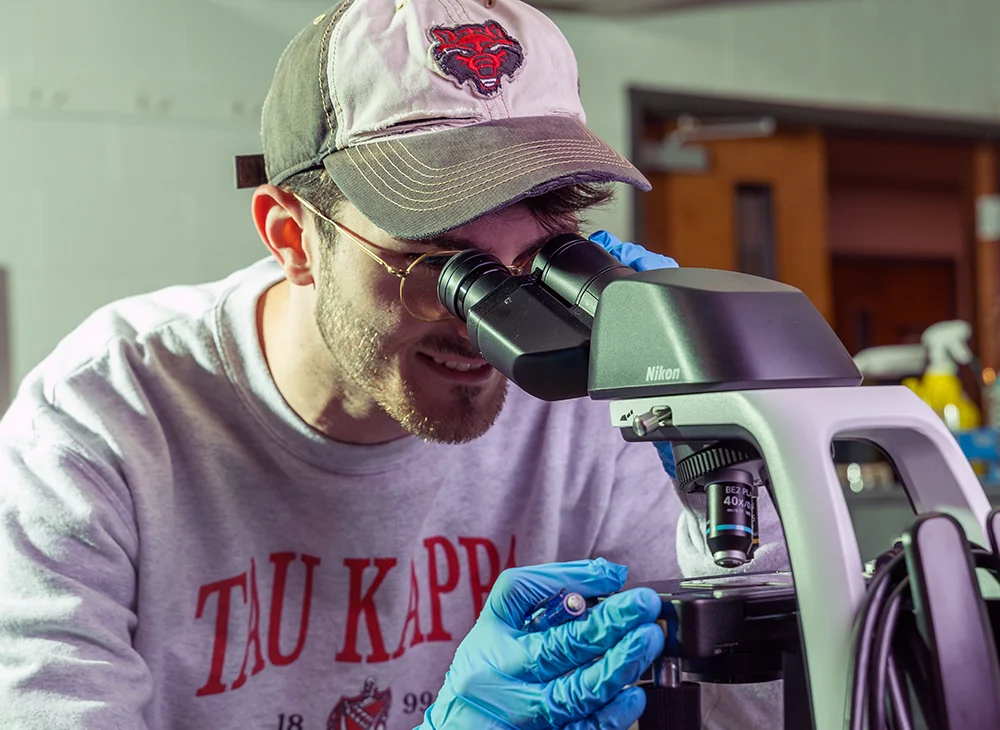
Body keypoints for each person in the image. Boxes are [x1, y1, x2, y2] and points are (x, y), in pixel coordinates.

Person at [0, 0, 786, 728]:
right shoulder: (102, 422)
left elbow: (764, 711)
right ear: (292, 238)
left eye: (538, 263)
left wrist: (740, 463)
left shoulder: (591, 403)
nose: (491, 325)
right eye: (438, 265)